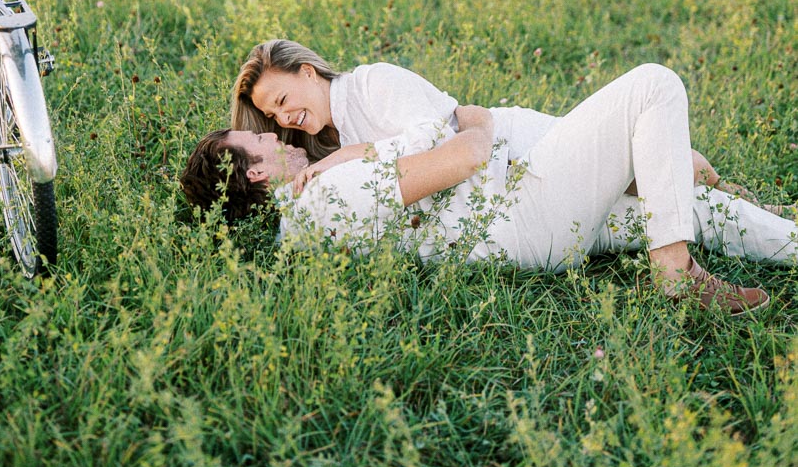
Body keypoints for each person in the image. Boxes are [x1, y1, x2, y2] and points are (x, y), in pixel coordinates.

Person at [180, 42, 797, 315]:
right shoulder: (324, 190)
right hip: (520, 202)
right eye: (265, 131)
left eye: (278, 112)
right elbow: (462, 151)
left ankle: (782, 242)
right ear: (257, 170)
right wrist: (473, 120)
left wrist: (360, 151)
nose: (280, 129)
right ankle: (675, 271)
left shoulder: (310, 204)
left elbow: (435, 145)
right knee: (656, 86)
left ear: (310, 71)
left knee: (684, 197)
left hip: (522, 180)